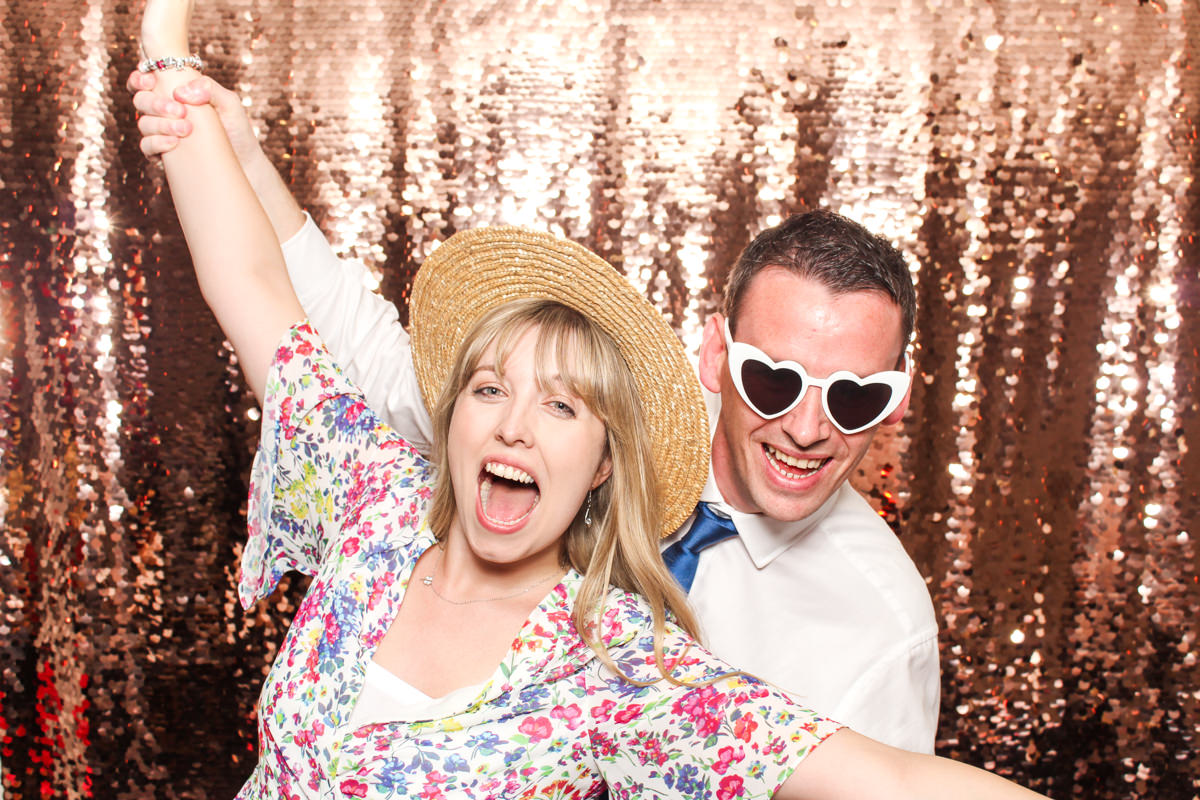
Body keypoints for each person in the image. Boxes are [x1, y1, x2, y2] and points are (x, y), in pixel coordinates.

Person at [133, 4, 1052, 795]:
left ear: (609, 459)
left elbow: (893, 781)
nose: (807, 426)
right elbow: (256, 287)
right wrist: (176, 63)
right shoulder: (379, 497)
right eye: (489, 389)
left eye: (565, 408)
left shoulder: (622, 665)